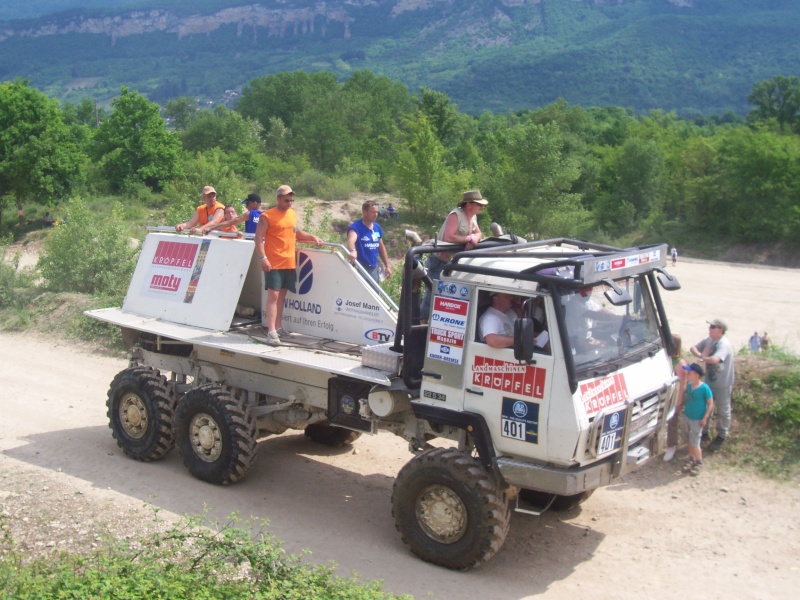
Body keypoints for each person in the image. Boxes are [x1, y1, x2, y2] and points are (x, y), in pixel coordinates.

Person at [255, 185, 323, 346]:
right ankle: (271, 331)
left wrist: (312, 237)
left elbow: (297, 233)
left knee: (283, 296)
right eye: (286, 200)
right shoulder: (267, 216)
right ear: (278, 198)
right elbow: (258, 238)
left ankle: (278, 327)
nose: (289, 203)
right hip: (273, 262)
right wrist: (263, 258)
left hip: (289, 261)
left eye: (291, 200)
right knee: (274, 296)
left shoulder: (292, 214)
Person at [420, 190, 487, 321]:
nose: (482, 207)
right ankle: (422, 322)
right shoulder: (455, 215)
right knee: (433, 293)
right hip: (440, 261)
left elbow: (479, 233)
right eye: (479, 204)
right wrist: (469, 239)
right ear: (469, 205)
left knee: (448, 295)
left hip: (453, 262)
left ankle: (437, 322)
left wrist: (473, 238)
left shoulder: (473, 217)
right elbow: (449, 236)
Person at [690, 318, 734, 452]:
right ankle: (704, 433)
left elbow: (715, 359)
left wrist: (702, 357)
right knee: (706, 407)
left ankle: (721, 435)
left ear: (720, 330)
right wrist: (701, 354)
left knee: (723, 410)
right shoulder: (709, 340)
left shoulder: (724, 344)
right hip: (709, 383)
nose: (709, 328)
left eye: (712, 327)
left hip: (722, 384)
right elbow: (693, 348)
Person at [680, 363, 714, 477]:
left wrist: (705, 418)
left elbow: (710, 404)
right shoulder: (689, 386)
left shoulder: (705, 388)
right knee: (689, 440)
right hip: (687, 416)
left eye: (689, 373)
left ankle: (698, 462)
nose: (687, 374)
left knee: (695, 442)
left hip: (697, 419)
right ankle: (691, 459)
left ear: (696, 374)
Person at [346, 200, 392, 284]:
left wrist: (387, 266)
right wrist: (353, 250)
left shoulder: (377, 228)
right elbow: (351, 241)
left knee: (374, 294)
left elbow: (381, 248)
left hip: (374, 268)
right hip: (360, 267)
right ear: (364, 212)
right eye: (373, 212)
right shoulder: (356, 227)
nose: (376, 215)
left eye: (377, 212)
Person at [664, 333, 688, 462]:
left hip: (674, 395)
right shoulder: (666, 358)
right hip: (665, 394)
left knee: (672, 422)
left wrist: (678, 402)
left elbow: (682, 384)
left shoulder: (680, 363)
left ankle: (671, 446)